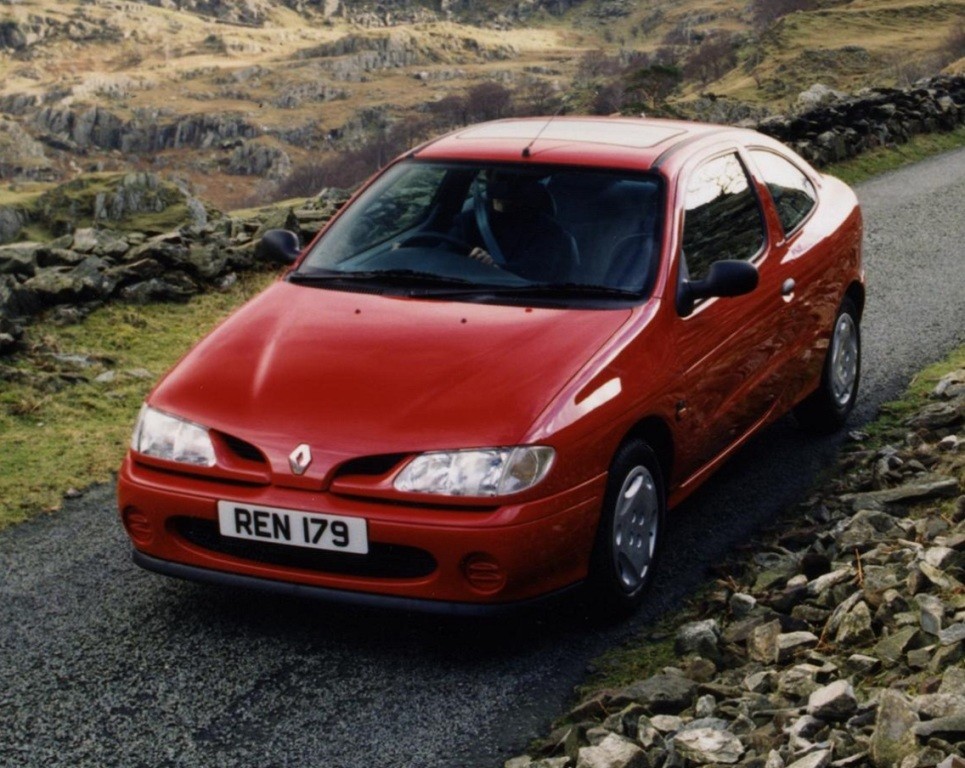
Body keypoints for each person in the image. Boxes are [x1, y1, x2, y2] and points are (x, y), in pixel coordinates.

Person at [453, 174, 580, 283]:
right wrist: (469, 262)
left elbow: (539, 274)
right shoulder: (468, 221)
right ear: (488, 178)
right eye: (500, 178)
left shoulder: (549, 233)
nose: (506, 186)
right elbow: (442, 259)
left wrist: (494, 268)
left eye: (514, 180)